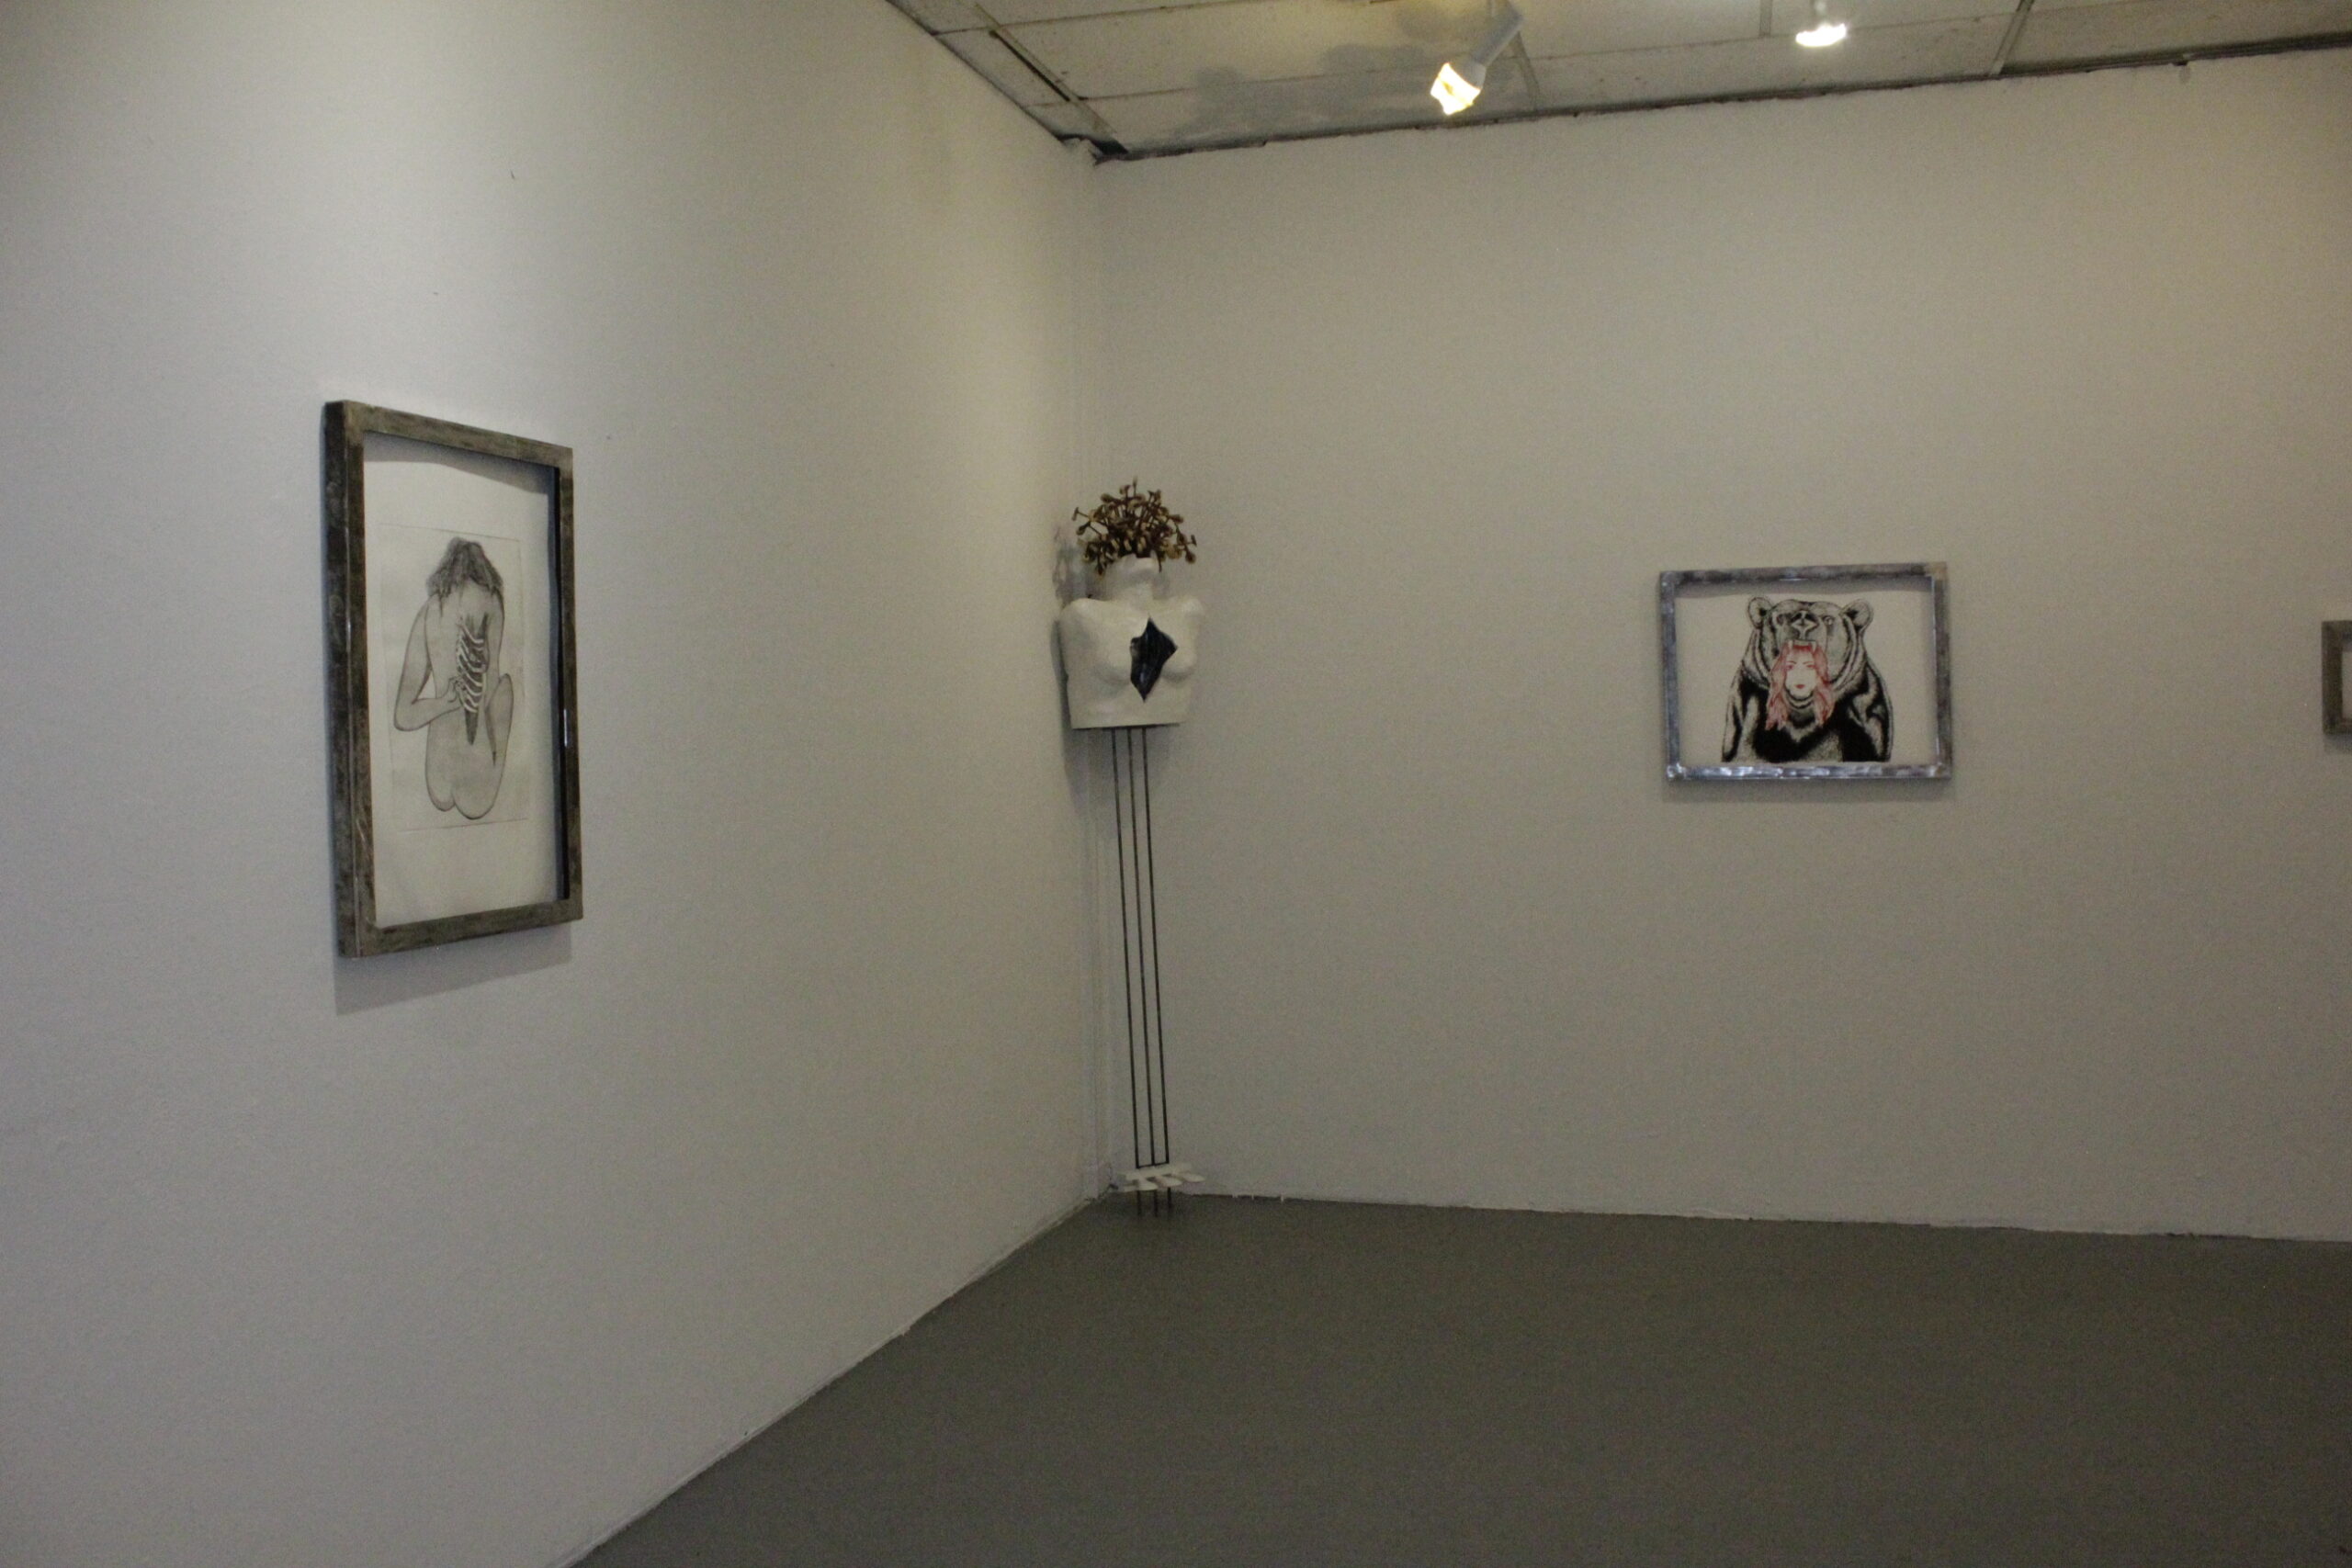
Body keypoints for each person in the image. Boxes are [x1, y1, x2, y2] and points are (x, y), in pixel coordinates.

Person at [392, 537, 514, 819]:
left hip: (438, 778)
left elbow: (402, 716)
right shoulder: (491, 601)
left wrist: (444, 703)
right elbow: (492, 685)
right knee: (505, 685)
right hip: (479, 780)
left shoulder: (429, 610)